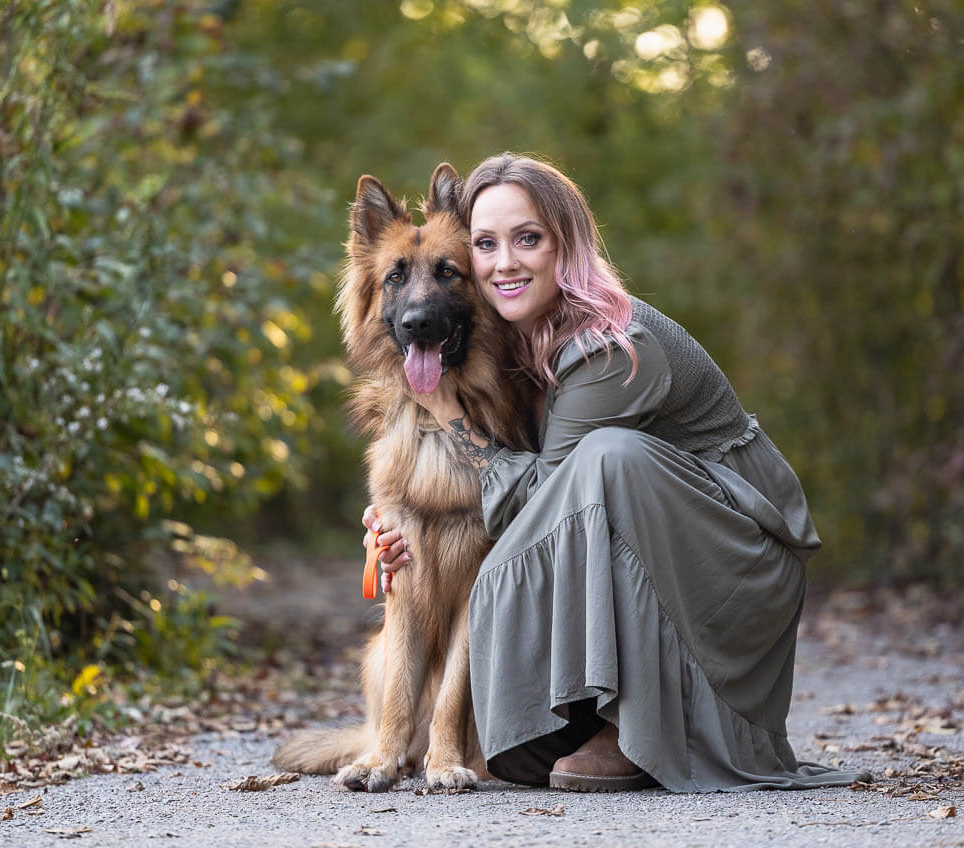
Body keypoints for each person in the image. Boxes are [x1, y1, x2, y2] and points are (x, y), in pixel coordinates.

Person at [363, 153, 869, 793]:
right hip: (654, 549)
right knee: (595, 477)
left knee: (609, 460)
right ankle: (575, 716)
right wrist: (397, 525)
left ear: (565, 244)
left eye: (528, 239)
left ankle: (629, 729)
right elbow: (487, 499)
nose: (504, 262)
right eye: (486, 244)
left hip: (735, 563)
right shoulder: (511, 341)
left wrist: (451, 423)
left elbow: (541, 505)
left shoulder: (610, 346)